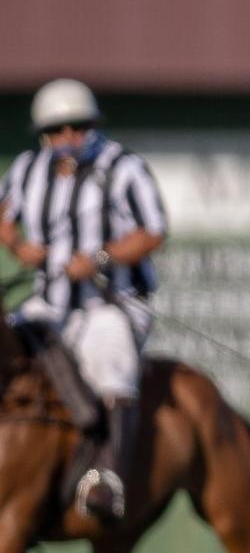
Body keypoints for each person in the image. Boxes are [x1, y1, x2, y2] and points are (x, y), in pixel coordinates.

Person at [0, 79, 170, 526]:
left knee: (111, 358)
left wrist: (100, 257)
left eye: (77, 127)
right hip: (49, 302)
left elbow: (153, 232)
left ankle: (107, 477)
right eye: (58, 130)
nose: (69, 138)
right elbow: (3, 215)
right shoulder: (25, 171)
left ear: (92, 127)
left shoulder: (123, 168)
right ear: (43, 134)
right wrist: (19, 248)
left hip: (110, 302)